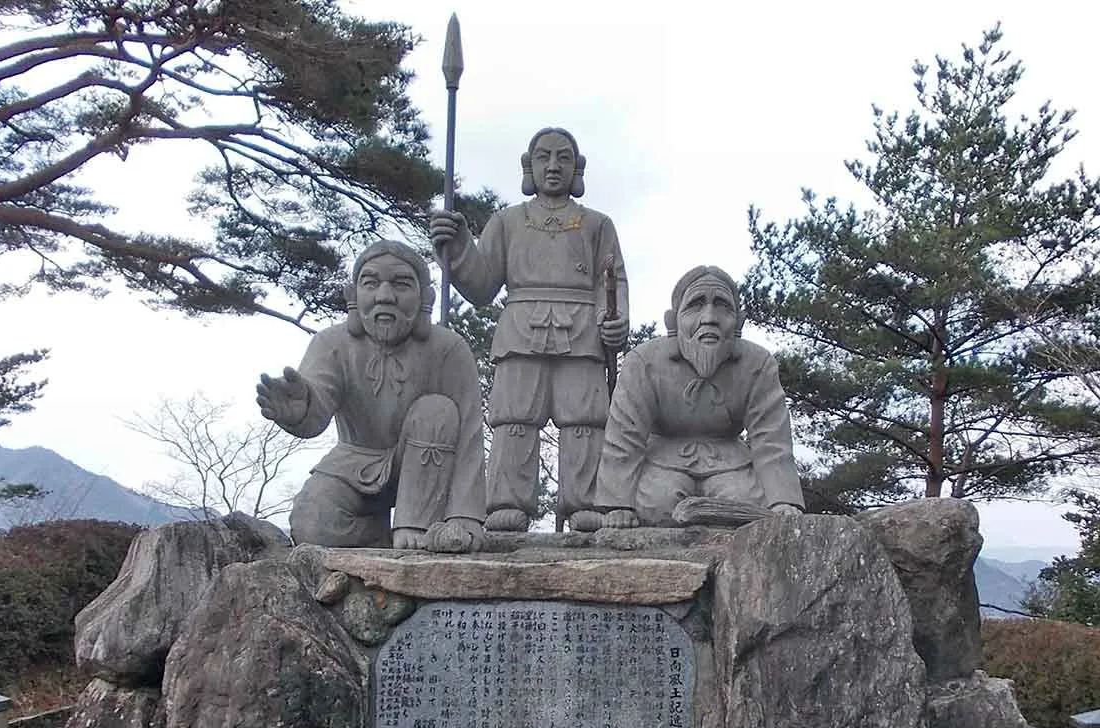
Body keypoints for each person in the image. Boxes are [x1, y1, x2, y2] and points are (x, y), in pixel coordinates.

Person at [430, 127, 629, 532]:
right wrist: (458, 247)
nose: (553, 166)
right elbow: (483, 284)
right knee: (514, 418)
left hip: (582, 328)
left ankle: (585, 501)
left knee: (585, 420)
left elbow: (613, 281)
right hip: (521, 326)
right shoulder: (507, 221)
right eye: (543, 157)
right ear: (529, 165)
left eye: (562, 157)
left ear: (577, 167)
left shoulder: (597, 224)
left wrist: (615, 318)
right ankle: (507, 501)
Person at [256, 240, 486, 551]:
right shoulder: (332, 344)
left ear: (424, 297)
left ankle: (417, 529)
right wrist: (302, 409)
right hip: (354, 462)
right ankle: (380, 536)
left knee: (437, 410)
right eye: (371, 283)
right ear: (353, 296)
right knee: (312, 521)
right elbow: (318, 404)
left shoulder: (449, 349)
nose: (385, 296)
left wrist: (465, 517)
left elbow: (471, 433)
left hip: (429, 468)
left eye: (401, 284)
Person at [596, 266, 804, 528]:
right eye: (695, 305)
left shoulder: (758, 364)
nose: (709, 318)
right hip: (662, 457)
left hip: (731, 462)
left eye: (722, 307)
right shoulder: (644, 362)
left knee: (746, 505)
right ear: (673, 321)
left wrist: (783, 500)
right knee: (655, 504)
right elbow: (625, 436)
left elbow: (771, 440)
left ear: (739, 322)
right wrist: (618, 503)